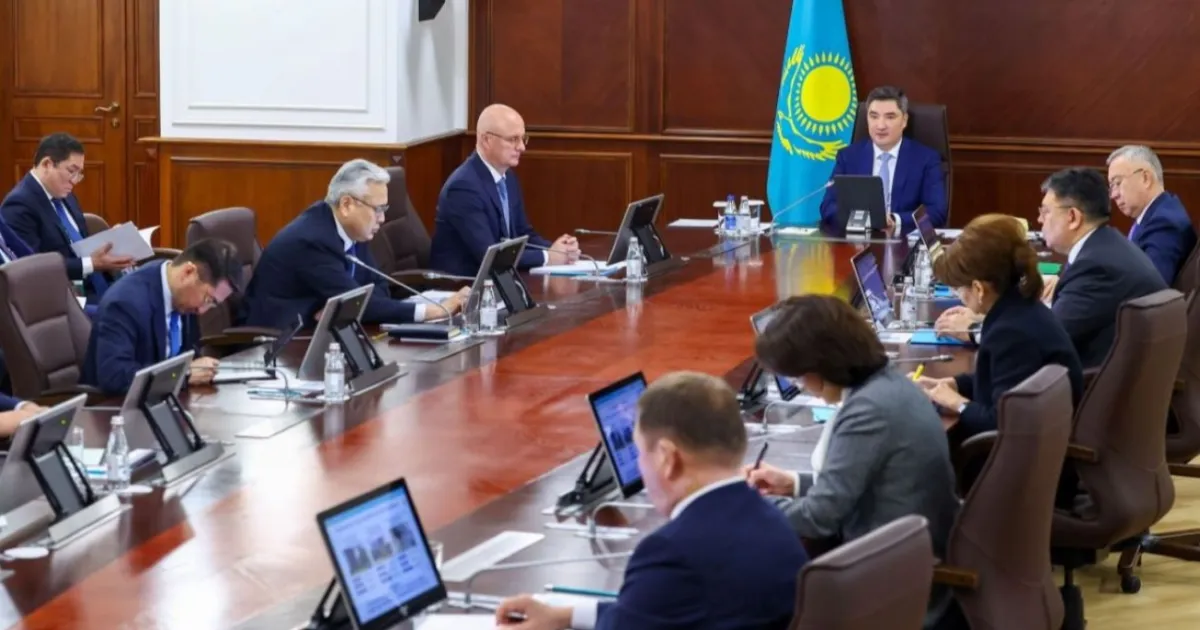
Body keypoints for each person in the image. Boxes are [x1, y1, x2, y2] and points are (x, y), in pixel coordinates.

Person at [496, 371, 808, 630]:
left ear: (667, 458)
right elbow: (654, 611)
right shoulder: (771, 519)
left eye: (640, 453)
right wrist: (565, 616)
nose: (641, 469)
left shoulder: (672, 551)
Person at [744, 296, 958, 629]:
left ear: (823, 367)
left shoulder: (868, 411)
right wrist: (793, 484)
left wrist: (746, 509)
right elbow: (865, 481)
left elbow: (819, 518)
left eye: (800, 377)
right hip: (908, 564)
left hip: (889, 588)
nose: (803, 387)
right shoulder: (890, 384)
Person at [241, 159, 467, 330]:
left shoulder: (351, 230)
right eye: (377, 209)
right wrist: (434, 310)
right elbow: (360, 303)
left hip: (316, 334)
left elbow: (376, 287)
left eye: (384, 210)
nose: (382, 219)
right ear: (347, 204)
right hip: (276, 341)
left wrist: (347, 307)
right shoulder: (311, 240)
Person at [915, 215, 1084, 441]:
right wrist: (953, 384)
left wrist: (956, 402)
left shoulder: (1009, 333)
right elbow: (1004, 380)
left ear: (978, 288)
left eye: (957, 289)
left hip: (1009, 463)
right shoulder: (1022, 308)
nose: (958, 296)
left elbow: (999, 423)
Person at [429, 104, 579, 277]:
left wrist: (559, 250)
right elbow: (489, 255)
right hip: (460, 286)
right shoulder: (463, 187)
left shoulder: (507, 178)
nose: (521, 147)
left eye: (523, 138)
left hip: (497, 281)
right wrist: (547, 257)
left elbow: (522, 234)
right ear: (487, 140)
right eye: (513, 139)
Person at [1038, 167, 1166, 367]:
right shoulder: (1105, 245)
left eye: (1045, 212)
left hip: (1091, 388)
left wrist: (981, 327)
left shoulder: (1097, 268)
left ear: (1073, 217)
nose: (1040, 220)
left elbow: (1045, 341)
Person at [81, 239, 242, 395]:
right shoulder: (125, 303)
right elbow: (115, 377)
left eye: (213, 304)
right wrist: (183, 375)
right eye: (208, 299)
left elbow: (189, 355)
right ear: (188, 272)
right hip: (113, 410)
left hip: (164, 402)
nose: (202, 310)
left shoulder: (183, 296)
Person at [0, 133, 135, 302]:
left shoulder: (65, 194)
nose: (75, 181)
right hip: (65, 299)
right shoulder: (18, 205)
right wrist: (91, 263)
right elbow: (32, 268)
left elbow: (79, 244)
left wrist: (113, 241)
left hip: (99, 284)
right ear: (47, 164)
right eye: (72, 171)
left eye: (79, 174)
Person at [818, 86, 947, 236]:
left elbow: (936, 212)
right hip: (857, 244)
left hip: (904, 243)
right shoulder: (848, 157)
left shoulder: (926, 159)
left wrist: (894, 220)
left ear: (904, 120)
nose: (880, 125)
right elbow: (828, 206)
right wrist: (865, 220)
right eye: (874, 116)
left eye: (890, 117)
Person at [1107, 144, 1197, 285]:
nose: (1113, 195)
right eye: (1111, 187)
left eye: (1117, 183)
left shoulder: (1164, 224)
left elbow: (1151, 288)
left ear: (1145, 178)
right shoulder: (1157, 212)